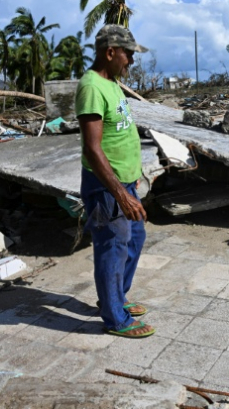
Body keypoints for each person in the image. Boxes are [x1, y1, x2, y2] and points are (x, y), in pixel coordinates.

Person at [75, 24, 155, 338]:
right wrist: (121, 194)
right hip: (107, 188)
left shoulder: (112, 83)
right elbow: (92, 149)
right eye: (128, 55)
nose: (131, 62)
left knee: (133, 240)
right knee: (112, 247)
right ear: (110, 52)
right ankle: (114, 318)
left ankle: (116, 298)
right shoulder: (92, 86)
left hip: (126, 184)